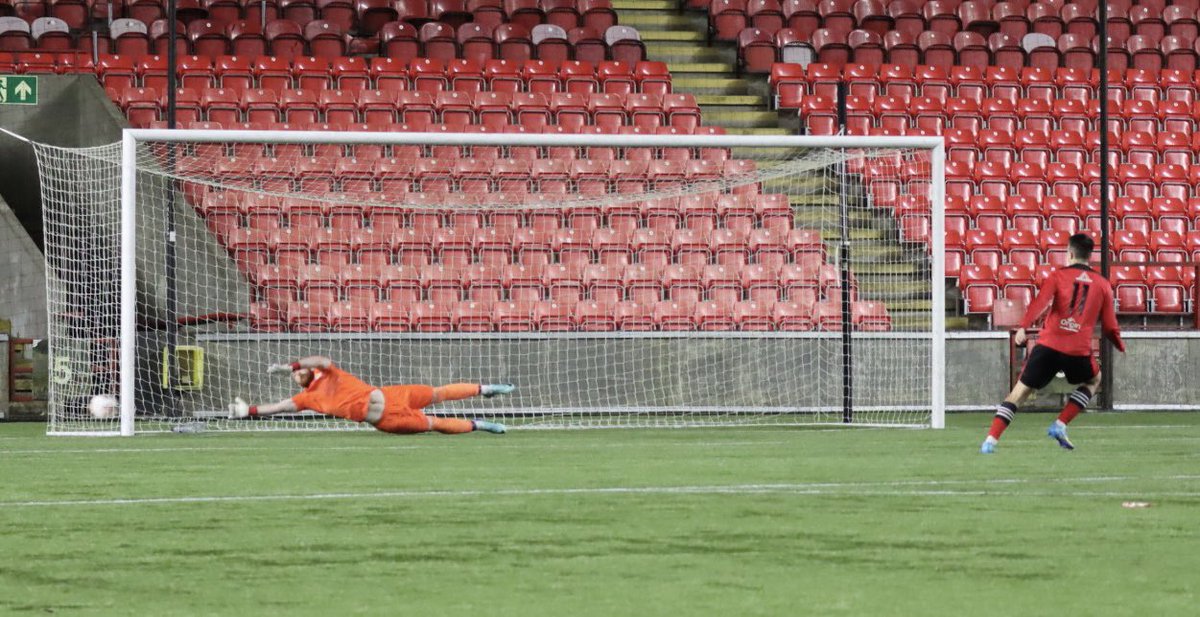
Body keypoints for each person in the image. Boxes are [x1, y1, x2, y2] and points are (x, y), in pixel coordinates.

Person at [981, 234, 1125, 454]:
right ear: (1090, 255)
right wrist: (1120, 345)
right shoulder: (1103, 284)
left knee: (1019, 393)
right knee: (1095, 379)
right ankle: (1060, 424)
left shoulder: (1058, 276)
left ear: (1069, 253)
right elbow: (1109, 327)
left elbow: (1040, 303)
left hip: (1049, 345)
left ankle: (990, 440)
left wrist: (1023, 326)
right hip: (1078, 350)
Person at [227, 356, 513, 435]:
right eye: (292, 376)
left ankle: (484, 389)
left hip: (393, 395)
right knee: (434, 423)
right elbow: (279, 407)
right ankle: (479, 425)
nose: (295, 376)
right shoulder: (307, 399)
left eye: (297, 372)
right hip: (385, 420)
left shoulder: (328, 373)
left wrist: (292, 365)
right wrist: (248, 411)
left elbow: (322, 359)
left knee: (437, 393)